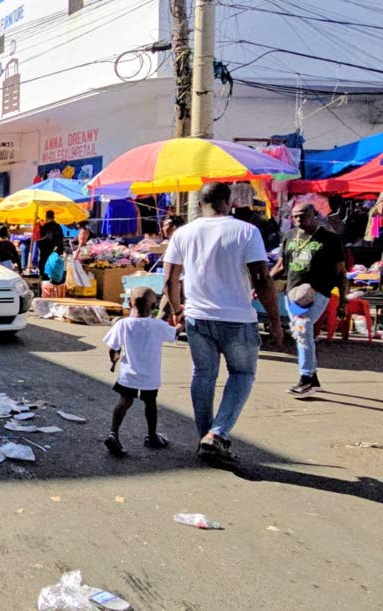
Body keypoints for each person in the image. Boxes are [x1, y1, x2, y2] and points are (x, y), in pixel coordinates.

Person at [163, 182, 282, 463]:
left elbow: (169, 279)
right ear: (228, 201)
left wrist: (177, 309)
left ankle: (206, 435)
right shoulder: (246, 231)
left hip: (198, 318)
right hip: (237, 319)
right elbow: (262, 278)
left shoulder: (183, 233)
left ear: (200, 202)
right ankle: (216, 435)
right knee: (241, 375)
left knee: (203, 375)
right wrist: (275, 321)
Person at [270, 203, 347, 396]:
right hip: (293, 293)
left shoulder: (330, 239)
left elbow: (340, 271)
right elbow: (280, 265)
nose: (298, 219)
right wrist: (263, 284)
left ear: (314, 215)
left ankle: (305, 378)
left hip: (317, 292)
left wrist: (343, 300)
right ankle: (312, 378)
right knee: (300, 332)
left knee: (303, 329)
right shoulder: (289, 237)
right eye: (295, 216)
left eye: (303, 215)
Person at [103, 286, 178, 456]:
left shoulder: (123, 324)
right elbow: (174, 334)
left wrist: (113, 358)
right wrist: (181, 320)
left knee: (124, 402)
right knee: (150, 404)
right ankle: (152, 436)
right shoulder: (157, 325)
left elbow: (113, 347)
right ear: (153, 307)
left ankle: (113, 433)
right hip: (149, 376)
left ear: (130, 303)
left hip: (128, 374)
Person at [37, 210, 64, 279]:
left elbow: (48, 237)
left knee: (44, 263)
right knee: (54, 263)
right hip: (56, 249)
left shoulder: (46, 226)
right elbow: (61, 238)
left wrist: (39, 241)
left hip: (47, 248)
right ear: (54, 216)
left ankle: (44, 277)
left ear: (46, 217)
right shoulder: (58, 226)